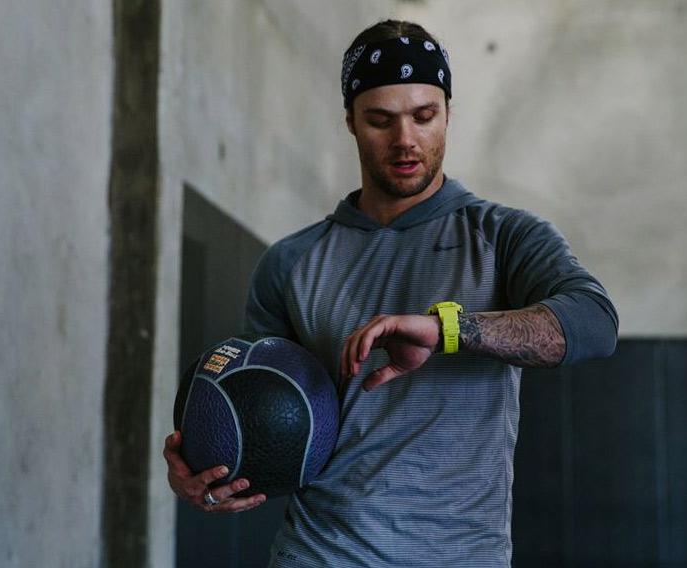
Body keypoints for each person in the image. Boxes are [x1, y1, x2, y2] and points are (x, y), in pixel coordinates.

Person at [164, 19, 618, 567]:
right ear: (351, 122)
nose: (405, 139)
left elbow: (594, 323)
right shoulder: (288, 263)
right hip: (320, 554)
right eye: (380, 120)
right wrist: (210, 470)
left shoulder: (503, 236)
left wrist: (450, 329)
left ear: (448, 113)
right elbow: (259, 412)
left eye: (424, 116)